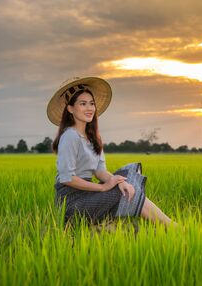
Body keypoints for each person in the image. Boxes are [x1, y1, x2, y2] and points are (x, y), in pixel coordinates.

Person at [47, 76, 176, 228]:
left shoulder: (92, 137)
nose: (89, 108)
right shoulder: (70, 136)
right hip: (71, 203)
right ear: (70, 109)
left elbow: (100, 172)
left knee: (126, 178)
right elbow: (67, 178)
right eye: (82, 104)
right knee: (123, 188)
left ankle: (167, 226)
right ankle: (172, 227)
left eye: (91, 103)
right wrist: (103, 187)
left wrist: (118, 181)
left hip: (87, 196)